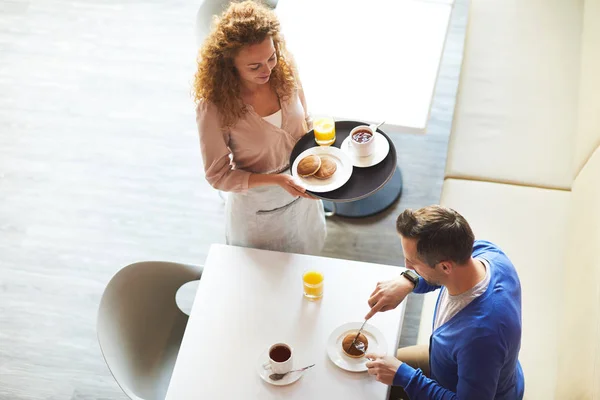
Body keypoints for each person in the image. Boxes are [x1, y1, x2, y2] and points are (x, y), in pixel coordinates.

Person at [193, 1, 326, 255]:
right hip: (260, 211)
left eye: (271, 57)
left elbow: (306, 120)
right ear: (229, 65)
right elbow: (218, 176)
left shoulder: (284, 69)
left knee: (308, 259)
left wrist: (323, 161)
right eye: (254, 66)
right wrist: (277, 180)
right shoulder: (213, 106)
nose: (268, 69)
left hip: (304, 193)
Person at [364, 205, 524, 399]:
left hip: (471, 385)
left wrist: (406, 378)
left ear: (445, 267)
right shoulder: (488, 253)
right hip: (449, 361)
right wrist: (410, 280)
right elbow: (443, 274)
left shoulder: (480, 337)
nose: (407, 267)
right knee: (367, 372)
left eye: (412, 262)